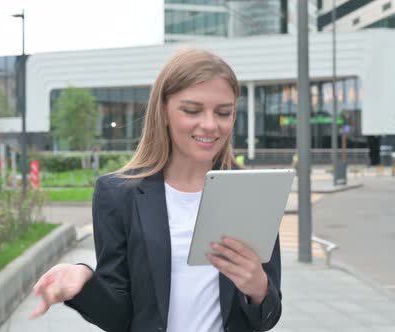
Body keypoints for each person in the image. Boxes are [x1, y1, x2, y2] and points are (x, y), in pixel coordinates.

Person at [30, 48, 282, 332]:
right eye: (192, 110)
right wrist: (85, 282)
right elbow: (119, 317)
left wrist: (257, 287)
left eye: (223, 112)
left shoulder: (252, 192)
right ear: (163, 111)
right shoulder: (117, 194)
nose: (210, 125)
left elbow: (268, 317)